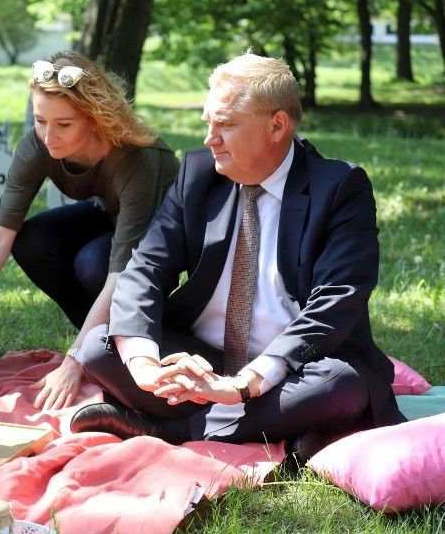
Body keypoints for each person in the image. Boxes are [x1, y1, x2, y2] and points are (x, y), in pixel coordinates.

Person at [69, 52, 406, 462]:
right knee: (98, 348)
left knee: (342, 384)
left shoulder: (339, 187)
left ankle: (169, 428)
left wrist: (243, 385)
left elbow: (337, 300)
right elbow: (145, 270)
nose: (211, 138)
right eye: (208, 123)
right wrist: (145, 367)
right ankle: (283, 429)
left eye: (226, 125)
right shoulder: (196, 173)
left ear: (277, 125)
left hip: (295, 365)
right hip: (201, 357)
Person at [0, 51, 180, 411]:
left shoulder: (138, 160)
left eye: (64, 125)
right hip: (113, 214)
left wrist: (73, 362)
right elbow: (1, 232)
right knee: (34, 240)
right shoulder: (38, 142)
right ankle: (101, 340)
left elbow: (120, 276)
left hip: (169, 236)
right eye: (40, 120)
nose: (49, 136)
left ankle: (116, 344)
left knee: (94, 263)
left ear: (95, 119)